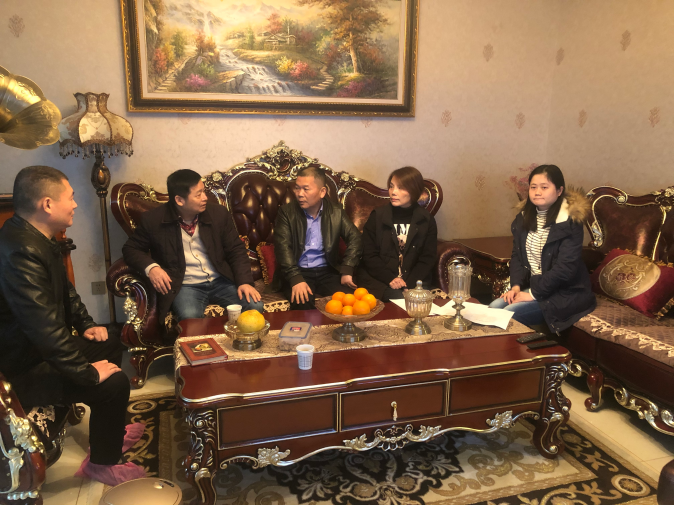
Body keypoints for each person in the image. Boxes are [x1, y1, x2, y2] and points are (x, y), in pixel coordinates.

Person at [0, 166, 145, 486]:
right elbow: (44, 330)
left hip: (38, 350)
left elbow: (65, 291)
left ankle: (110, 434)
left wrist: (86, 323)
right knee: (114, 383)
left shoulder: (34, 235)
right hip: (22, 367)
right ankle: (102, 464)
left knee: (110, 341)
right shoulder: (20, 251)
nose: (76, 204)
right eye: (71, 197)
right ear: (47, 204)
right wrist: (88, 373)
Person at [123, 169, 263, 323]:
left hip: (221, 280)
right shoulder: (153, 220)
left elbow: (236, 249)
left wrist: (244, 282)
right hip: (185, 285)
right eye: (198, 194)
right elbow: (130, 249)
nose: (205, 198)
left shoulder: (218, 214)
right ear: (179, 200)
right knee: (190, 317)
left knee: (254, 305)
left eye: (204, 191)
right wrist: (152, 268)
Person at [489, 164, 596, 333]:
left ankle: (518, 349)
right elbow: (517, 255)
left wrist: (532, 294)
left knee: (508, 314)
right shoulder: (523, 217)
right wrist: (516, 286)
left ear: (559, 191)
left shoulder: (570, 222)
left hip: (565, 293)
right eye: (533, 187)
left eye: (544, 187)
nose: (537, 192)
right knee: (494, 307)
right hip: (538, 287)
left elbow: (565, 268)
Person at [272, 167, 362, 310]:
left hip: (328, 271)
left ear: (322, 192)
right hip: (298, 271)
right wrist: (295, 279)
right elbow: (282, 248)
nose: (300, 194)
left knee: (349, 301)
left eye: (306, 189)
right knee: (303, 302)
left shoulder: (336, 212)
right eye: (297, 188)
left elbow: (355, 238)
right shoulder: (287, 213)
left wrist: (347, 269)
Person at [357, 166, 437, 301]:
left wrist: (408, 283)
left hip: (414, 279)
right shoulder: (377, 216)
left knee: (416, 303)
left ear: (414, 190)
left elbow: (427, 258)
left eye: (401, 188)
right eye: (391, 186)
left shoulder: (426, 220)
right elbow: (369, 255)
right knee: (397, 299)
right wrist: (391, 279)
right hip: (381, 279)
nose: (393, 192)